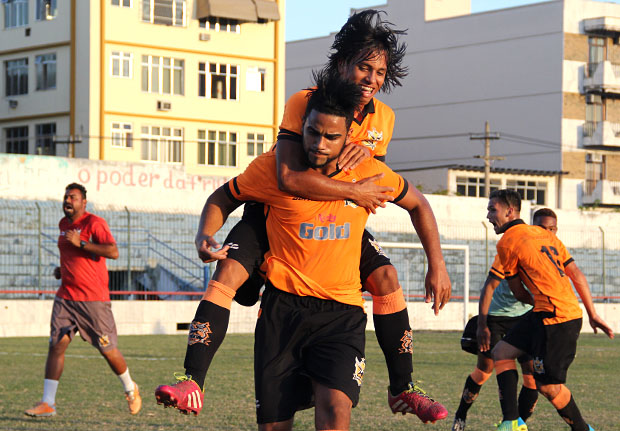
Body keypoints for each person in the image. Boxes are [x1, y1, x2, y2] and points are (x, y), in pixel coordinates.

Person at [155, 9, 451, 423]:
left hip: (334, 225)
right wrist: (207, 234)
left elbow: (372, 181)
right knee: (227, 274)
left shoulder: (383, 118)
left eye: (379, 71)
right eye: (364, 66)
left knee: (385, 278)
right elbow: (290, 178)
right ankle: (192, 379)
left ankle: (404, 388)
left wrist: (435, 262)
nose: (371, 78)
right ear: (342, 62)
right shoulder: (303, 102)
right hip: (274, 212)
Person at [487, 189, 614, 431]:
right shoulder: (545, 234)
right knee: (502, 351)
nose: (489, 216)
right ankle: (512, 423)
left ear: (510, 211)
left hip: (557, 318)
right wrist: (592, 313)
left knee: (548, 387)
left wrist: (541, 302)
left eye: (493, 210)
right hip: (554, 312)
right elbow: (576, 274)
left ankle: (582, 429)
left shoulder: (507, 242)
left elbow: (518, 292)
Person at [24, 183, 141, 417]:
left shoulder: (94, 223)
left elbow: (113, 252)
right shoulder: (63, 225)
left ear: (83, 202)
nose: (68, 200)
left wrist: (83, 243)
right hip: (66, 297)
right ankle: (48, 403)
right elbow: (73, 257)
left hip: (93, 300)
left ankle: (131, 389)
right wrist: (63, 270)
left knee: (108, 350)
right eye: (66, 196)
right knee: (56, 346)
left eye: (73, 197)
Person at [452, 207, 567, 430]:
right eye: (542, 227)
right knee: (484, 371)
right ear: (532, 227)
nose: (547, 232)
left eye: (552, 229)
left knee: (532, 377)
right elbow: (489, 287)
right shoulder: (514, 246)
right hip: (495, 318)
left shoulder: (554, 253)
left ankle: (517, 424)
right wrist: (482, 325)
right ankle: (461, 415)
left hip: (524, 318)